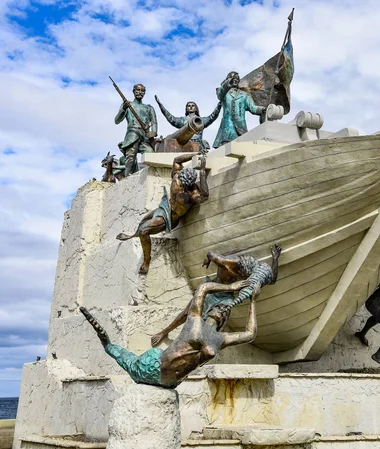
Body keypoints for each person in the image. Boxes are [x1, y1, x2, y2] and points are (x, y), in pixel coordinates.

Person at [79, 278, 256, 388]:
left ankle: (109, 345)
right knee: (121, 355)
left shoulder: (220, 339)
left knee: (125, 358)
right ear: (208, 311)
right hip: (153, 366)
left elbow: (250, 333)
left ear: (224, 321)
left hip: (171, 382)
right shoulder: (194, 320)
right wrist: (231, 287)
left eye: (225, 312)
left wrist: (253, 301)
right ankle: (106, 342)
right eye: (218, 308)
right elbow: (203, 288)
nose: (222, 311)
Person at [150, 244, 282, 347]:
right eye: (243, 274)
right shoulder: (230, 262)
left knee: (218, 320)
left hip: (226, 297)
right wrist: (209, 259)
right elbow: (211, 254)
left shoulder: (254, 274)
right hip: (213, 288)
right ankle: (164, 332)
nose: (243, 277)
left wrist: (275, 260)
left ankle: (205, 346)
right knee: (187, 312)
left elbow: (272, 280)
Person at [116, 152, 209, 275]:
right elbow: (177, 160)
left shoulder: (192, 195)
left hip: (170, 218)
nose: (179, 186)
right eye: (180, 182)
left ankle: (147, 261)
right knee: (143, 221)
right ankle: (133, 235)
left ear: (189, 186)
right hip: (165, 206)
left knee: (144, 230)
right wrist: (196, 154)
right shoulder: (176, 178)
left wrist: (202, 171)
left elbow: (205, 195)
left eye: (183, 186)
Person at [213, 71, 265, 148]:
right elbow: (220, 95)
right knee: (225, 151)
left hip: (241, 128)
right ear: (228, 79)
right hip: (227, 129)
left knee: (242, 150)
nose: (235, 80)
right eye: (233, 78)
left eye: (237, 78)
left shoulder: (245, 94)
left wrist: (263, 109)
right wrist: (228, 84)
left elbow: (253, 108)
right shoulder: (223, 92)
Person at [114, 83, 157, 177]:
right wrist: (124, 109)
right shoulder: (128, 105)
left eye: (142, 91)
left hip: (145, 136)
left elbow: (154, 122)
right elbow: (117, 120)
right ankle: (127, 178)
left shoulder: (149, 108)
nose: (140, 92)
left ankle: (151, 175)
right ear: (133, 91)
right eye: (138, 90)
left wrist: (153, 132)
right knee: (130, 158)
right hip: (132, 134)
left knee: (150, 154)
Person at [154, 96, 222, 152]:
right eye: (189, 106)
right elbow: (171, 119)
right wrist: (161, 106)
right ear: (186, 109)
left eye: (193, 105)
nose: (191, 107)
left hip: (199, 145)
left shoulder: (201, 120)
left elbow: (212, 117)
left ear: (195, 108)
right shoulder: (183, 120)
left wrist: (219, 106)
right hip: (186, 144)